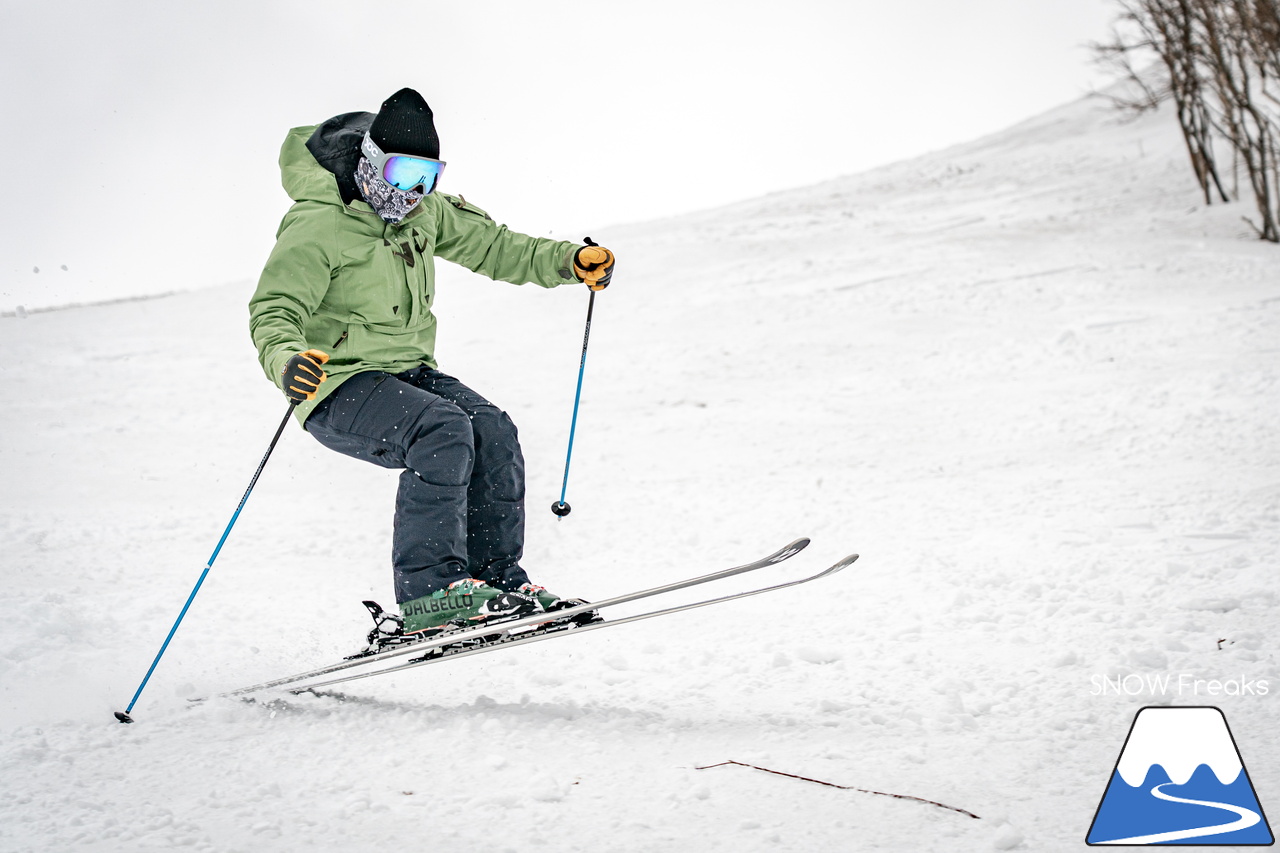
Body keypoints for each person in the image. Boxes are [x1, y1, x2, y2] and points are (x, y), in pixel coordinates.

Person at [248, 87, 615, 644]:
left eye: (429, 175)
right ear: (372, 161)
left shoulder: (425, 212)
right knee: (442, 430)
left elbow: (495, 247)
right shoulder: (319, 223)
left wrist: (568, 260)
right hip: (335, 383)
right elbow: (275, 309)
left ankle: (493, 580)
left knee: (491, 428)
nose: (415, 189)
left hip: (407, 370)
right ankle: (429, 595)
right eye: (403, 172)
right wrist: (287, 360)